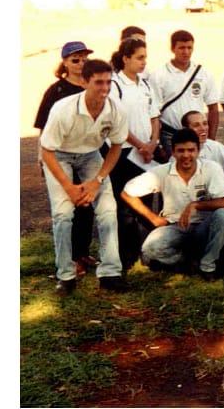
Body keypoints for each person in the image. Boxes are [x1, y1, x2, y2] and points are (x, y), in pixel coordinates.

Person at [40, 58, 129, 294]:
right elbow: (46, 151)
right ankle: (65, 275)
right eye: (98, 82)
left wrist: (96, 182)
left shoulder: (116, 109)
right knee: (63, 213)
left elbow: (116, 147)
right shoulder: (63, 109)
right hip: (59, 155)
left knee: (107, 209)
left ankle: (110, 272)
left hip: (91, 155)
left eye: (108, 82)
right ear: (83, 82)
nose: (105, 88)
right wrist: (69, 187)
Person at [122, 128, 224, 280]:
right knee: (150, 249)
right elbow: (127, 193)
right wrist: (153, 217)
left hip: (204, 226)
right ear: (173, 152)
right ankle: (188, 260)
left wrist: (194, 205)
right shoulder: (161, 172)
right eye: (181, 151)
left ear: (198, 150)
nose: (186, 155)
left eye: (191, 150)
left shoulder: (211, 168)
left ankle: (207, 265)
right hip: (175, 227)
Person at [35, 41, 97, 274]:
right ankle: (69, 259)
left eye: (84, 59)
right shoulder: (56, 91)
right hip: (62, 155)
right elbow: (44, 127)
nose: (81, 64)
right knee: (67, 208)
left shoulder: (92, 86)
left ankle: (82, 252)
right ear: (65, 63)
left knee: (87, 205)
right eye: (75, 60)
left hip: (88, 154)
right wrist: (42, 157)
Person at [109, 38, 161, 272]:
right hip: (124, 153)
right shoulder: (115, 85)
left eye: (145, 58)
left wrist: (152, 143)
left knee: (147, 202)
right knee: (125, 206)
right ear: (126, 58)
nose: (143, 62)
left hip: (146, 153)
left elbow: (154, 116)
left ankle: (148, 252)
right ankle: (126, 255)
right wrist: (140, 145)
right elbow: (117, 123)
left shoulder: (146, 84)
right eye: (139, 58)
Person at [152, 30, 219, 155]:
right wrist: (157, 142)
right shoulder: (159, 75)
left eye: (189, 48)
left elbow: (213, 108)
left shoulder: (203, 73)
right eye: (181, 48)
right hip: (170, 134)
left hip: (197, 135)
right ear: (172, 48)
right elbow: (154, 112)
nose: (186, 52)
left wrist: (211, 139)